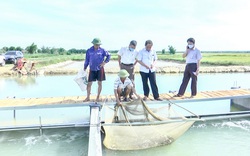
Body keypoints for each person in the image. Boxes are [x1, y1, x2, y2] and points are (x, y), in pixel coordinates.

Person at [83, 38, 111, 102]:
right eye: (96, 44)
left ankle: (98, 97)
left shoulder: (102, 50)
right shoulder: (89, 50)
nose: (97, 46)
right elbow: (87, 60)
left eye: (98, 44)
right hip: (92, 69)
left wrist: (104, 62)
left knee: (100, 83)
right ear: (93, 44)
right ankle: (88, 97)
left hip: (100, 69)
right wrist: (85, 67)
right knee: (89, 84)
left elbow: (109, 56)